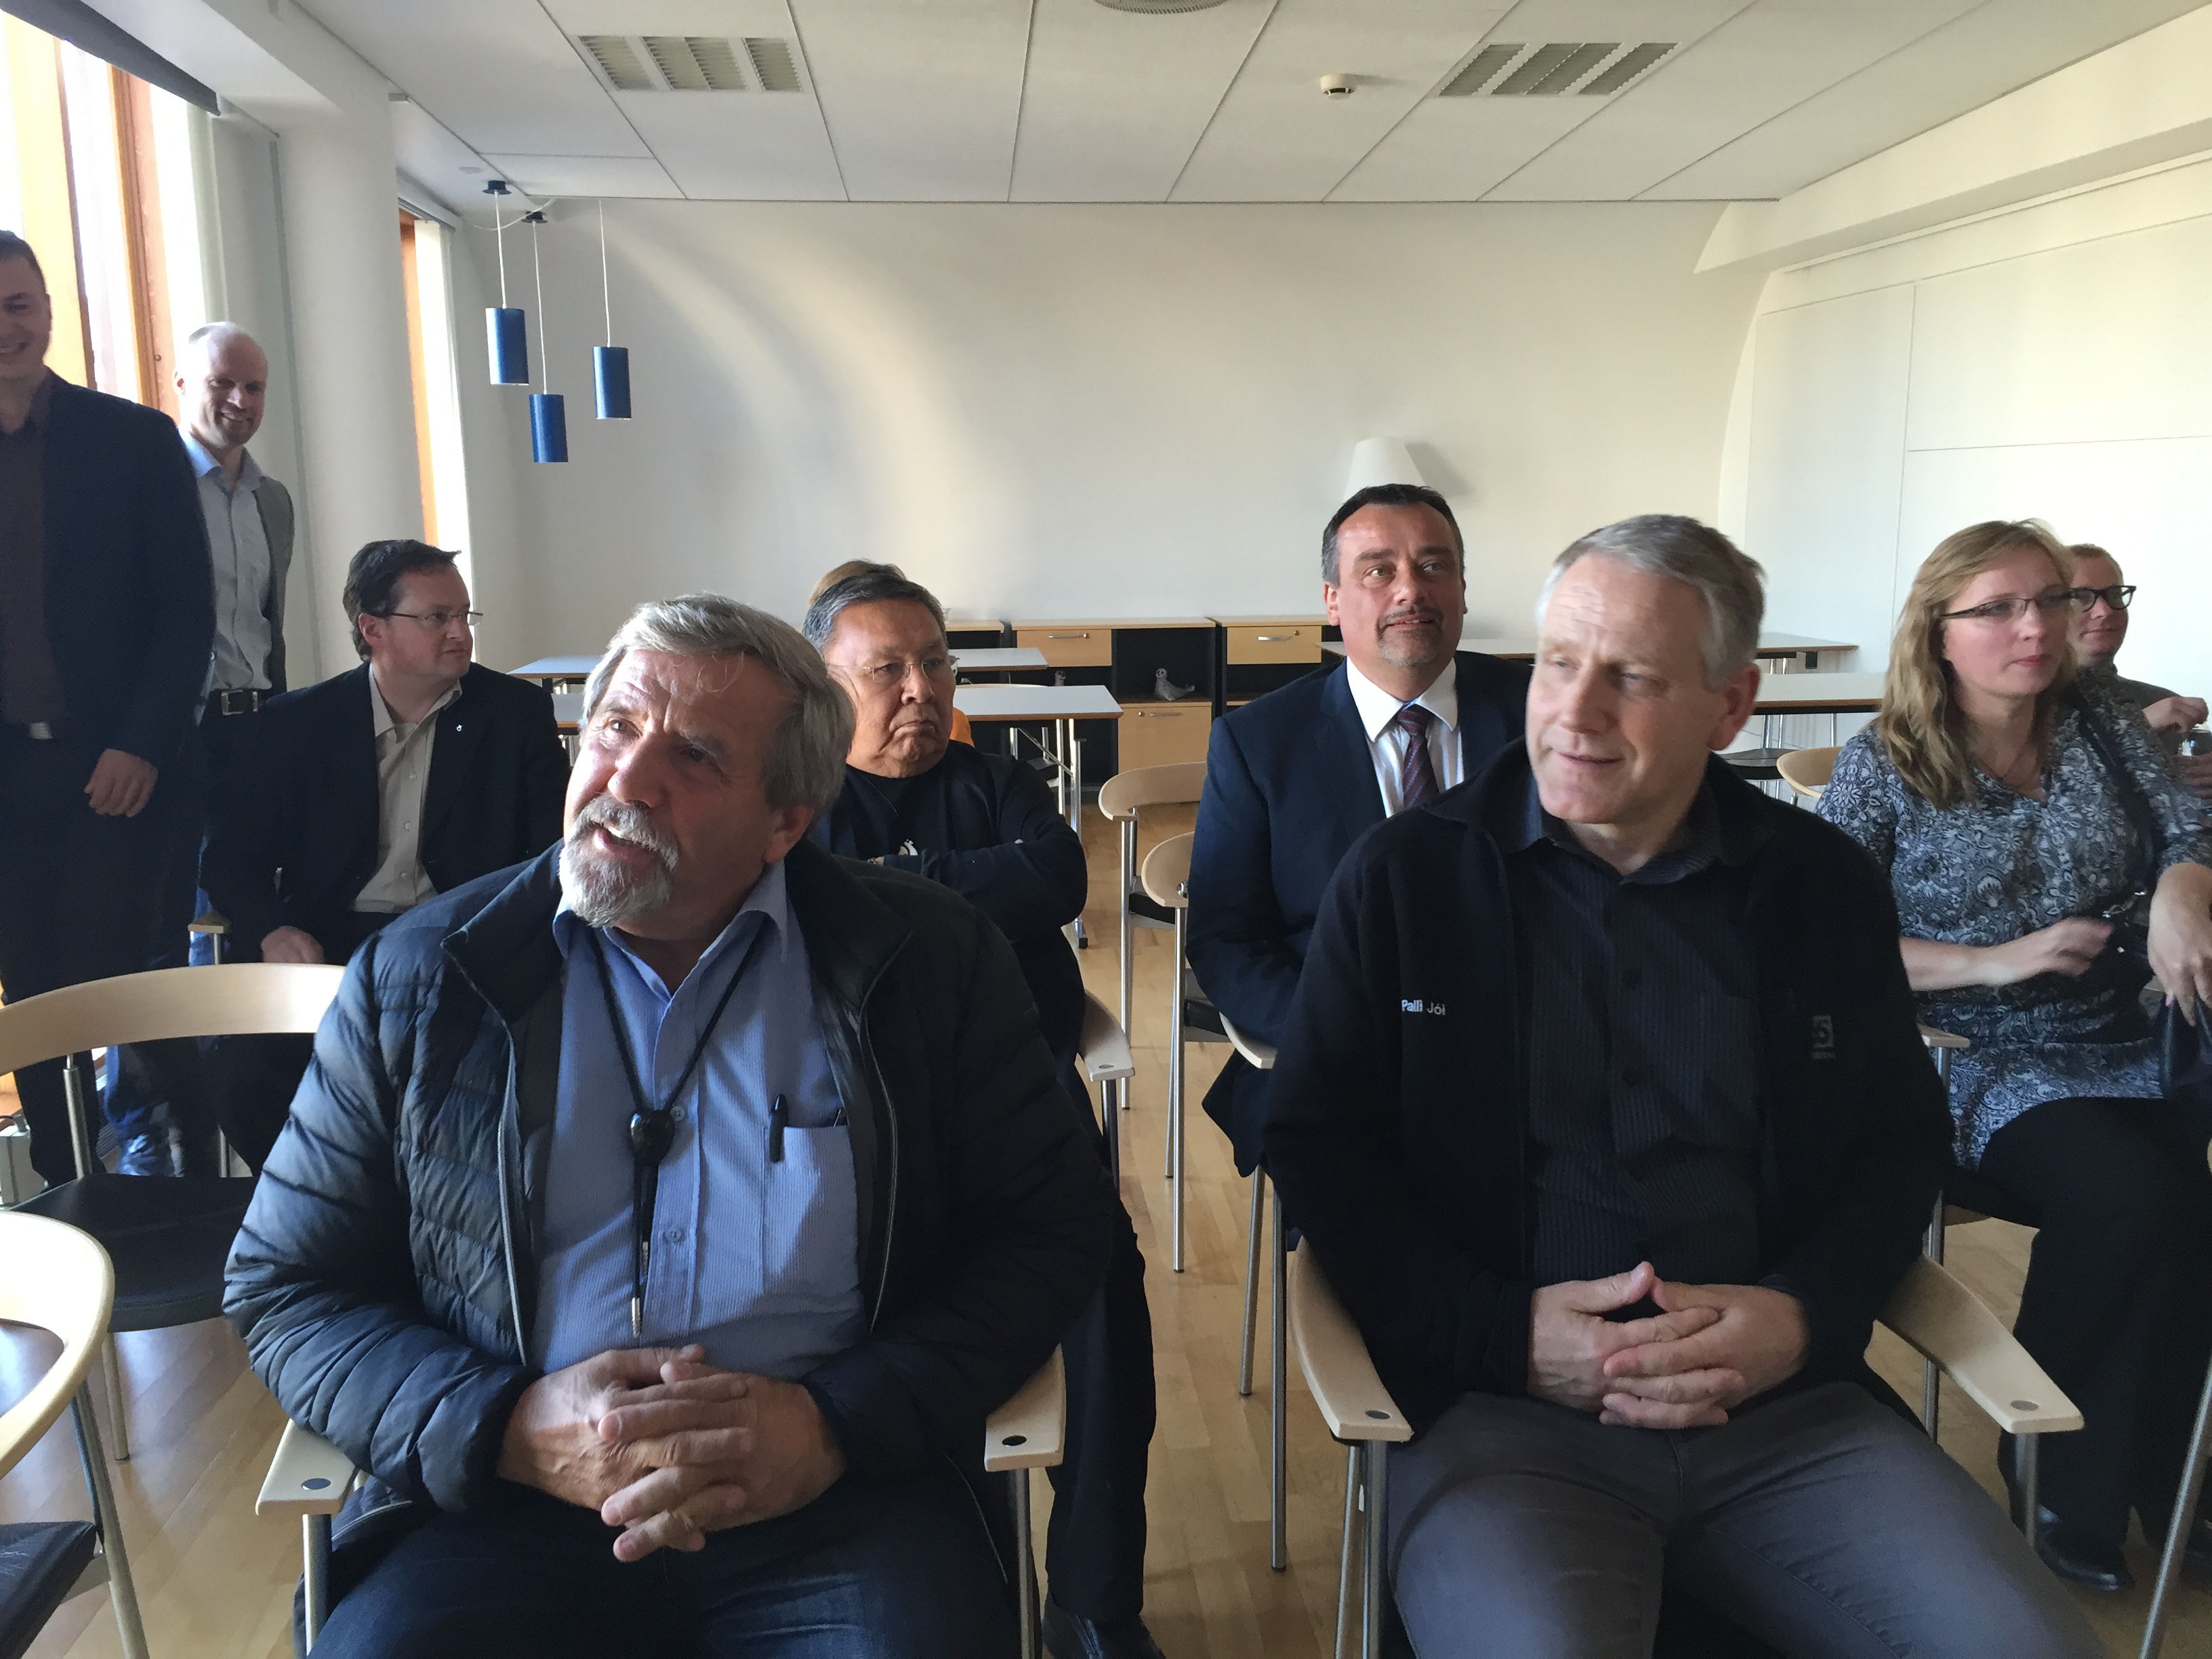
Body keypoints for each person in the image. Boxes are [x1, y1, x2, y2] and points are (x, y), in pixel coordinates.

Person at [1266, 513, 2102, 1659]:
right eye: (1559, 662)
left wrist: (1799, 1315)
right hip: (1504, 1415)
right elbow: (1318, 1147)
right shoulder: (1409, 878)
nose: (1573, 712)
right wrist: (1500, 1335)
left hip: (1784, 1414)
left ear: (1729, 704)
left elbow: (1895, 1147)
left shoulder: (1816, 887)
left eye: (1632, 677)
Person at [224, 595, 1113, 1659]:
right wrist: (504, 1427)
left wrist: (836, 1425)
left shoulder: (928, 963)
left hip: (838, 1499)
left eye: (695, 756)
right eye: (615, 727)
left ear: (787, 822)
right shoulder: (422, 978)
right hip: (503, 1501)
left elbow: (1053, 1233)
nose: (628, 780)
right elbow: (286, 1285)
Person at [1820, 518, 2212, 1591]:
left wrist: (2184, 892)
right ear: (1938, 631)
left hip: (2129, 1031)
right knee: (2132, 1197)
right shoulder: (1885, 763)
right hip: (1967, 1056)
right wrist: (1994, 963)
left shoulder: (2101, 724)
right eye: (1997, 608)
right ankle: (2060, 1479)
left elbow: (2187, 832)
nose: (2035, 627)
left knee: (2189, 1210)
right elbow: (1824, 949)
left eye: (2048, 600)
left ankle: (2170, 1476)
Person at [804, 564, 1161, 1659]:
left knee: (1103, 1287)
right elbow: (811, 918)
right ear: (824, 686)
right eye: (888, 670)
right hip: (857, 1112)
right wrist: (964, 884)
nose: (921, 689)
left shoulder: (997, 777)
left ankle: (1092, 1598)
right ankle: (949, 1564)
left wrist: (888, 880)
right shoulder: (798, 804)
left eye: (935, 664)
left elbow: (1055, 878)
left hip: (1019, 1086)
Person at [1188, 481, 1528, 1174]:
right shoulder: (1259, 743)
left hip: (1527, 1052)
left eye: (1434, 566)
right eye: (1378, 570)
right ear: (1333, 600)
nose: (1410, 590)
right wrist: (1339, 1034)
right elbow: (1227, 939)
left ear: (1463, 589)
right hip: (1346, 1066)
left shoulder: (1540, 717)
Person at [200, 539, 567, 1168]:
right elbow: (230, 859)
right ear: (373, 629)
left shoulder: (514, 713)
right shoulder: (295, 724)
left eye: (464, 615)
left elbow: (553, 853)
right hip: (332, 941)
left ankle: (424, 1201)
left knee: (454, 1070)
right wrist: (270, 929)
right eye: (437, 618)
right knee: (242, 1065)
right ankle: (309, 1196)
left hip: (460, 935)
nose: (460, 634)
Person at [0, 230, 211, 1187]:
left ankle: (187, 1168)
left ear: (47, 311)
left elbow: (186, 610)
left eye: (18, 305)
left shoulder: (132, 439)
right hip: (10, 769)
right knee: (30, 986)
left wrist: (142, 743)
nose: (6, 328)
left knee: (128, 979)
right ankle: (66, 1180)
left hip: (117, 765)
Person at [108, 321, 294, 1175]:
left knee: (249, 909)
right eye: (223, 383)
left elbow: (266, 624)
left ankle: (237, 1101)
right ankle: (150, 1120)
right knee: (156, 924)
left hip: (257, 727)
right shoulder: (149, 490)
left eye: (254, 386)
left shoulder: (271, 500)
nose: (240, 401)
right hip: (173, 736)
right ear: (181, 384)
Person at [2069, 541, 2212, 800]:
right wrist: (2138, 726)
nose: (2105, 611)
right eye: (2082, 597)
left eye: (2114, 595)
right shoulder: (2028, 711)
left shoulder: (2163, 702)